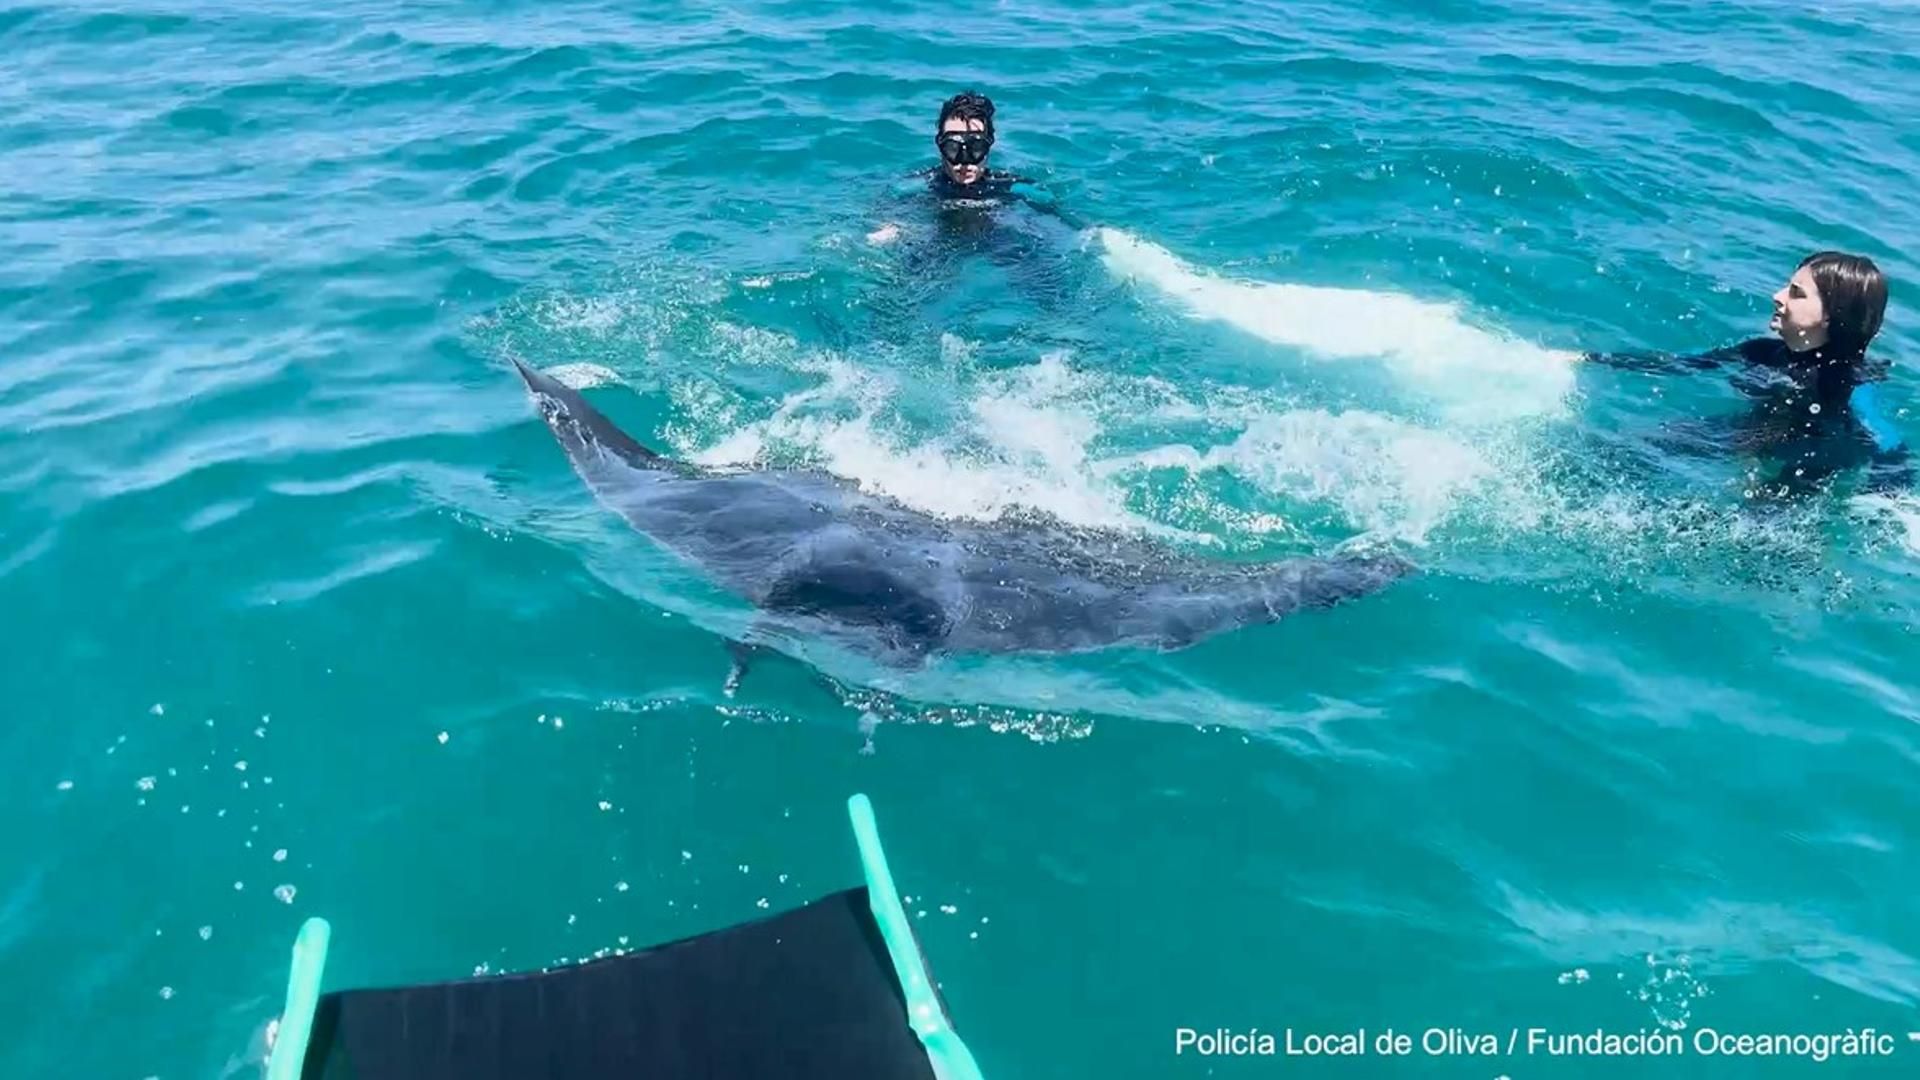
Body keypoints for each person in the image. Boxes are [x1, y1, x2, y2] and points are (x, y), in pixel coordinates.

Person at [1582, 251, 1909, 497]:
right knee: (1628, 449)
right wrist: (1593, 358)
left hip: (1812, 460)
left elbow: (1886, 441)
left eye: (1796, 293)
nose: (1778, 296)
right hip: (1750, 434)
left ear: (1831, 316)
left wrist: (1891, 498)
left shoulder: (1849, 381)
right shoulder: (1760, 352)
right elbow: (1682, 364)